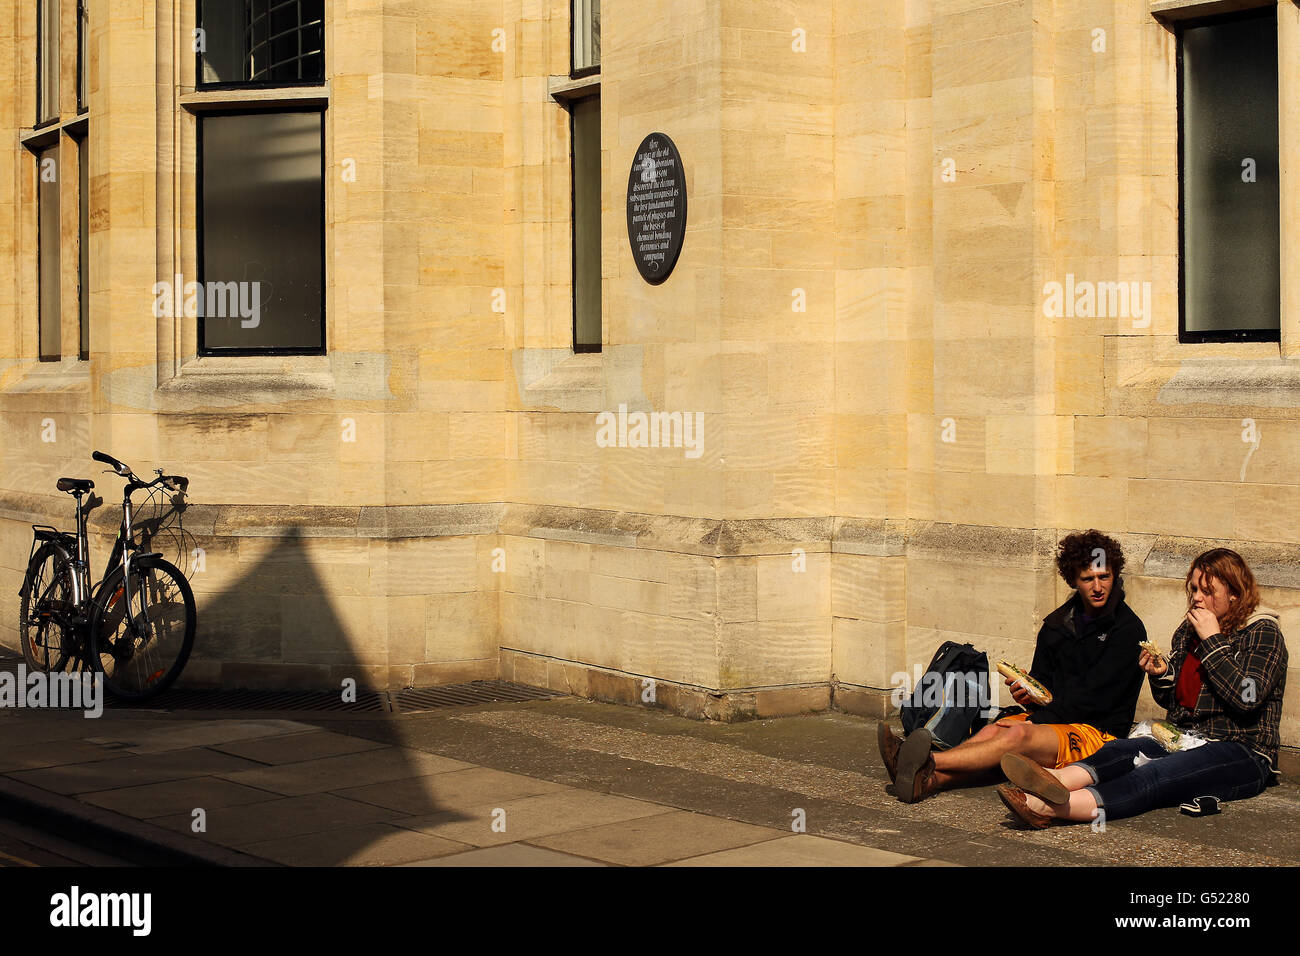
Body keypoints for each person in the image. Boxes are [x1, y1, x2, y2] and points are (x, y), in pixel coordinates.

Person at [997, 548, 1287, 827]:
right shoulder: (1189, 631)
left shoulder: (1261, 631)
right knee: (1120, 751)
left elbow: (1247, 697)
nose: (1197, 599)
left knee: (1155, 774)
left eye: (1207, 592)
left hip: (1242, 751)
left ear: (1234, 595)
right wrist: (1162, 674)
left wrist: (1212, 640)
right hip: (1182, 738)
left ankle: (1052, 808)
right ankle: (1053, 781)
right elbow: (1172, 702)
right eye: (1194, 590)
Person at [879, 530, 1146, 803]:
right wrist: (1027, 696)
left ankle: (925, 762)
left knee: (1017, 734)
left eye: (1104, 577)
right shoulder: (1056, 626)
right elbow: (1044, 685)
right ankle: (928, 781)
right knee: (998, 729)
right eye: (1088, 579)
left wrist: (1037, 719)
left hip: (1097, 732)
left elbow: (1095, 701)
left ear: (1115, 575)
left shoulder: (1127, 630)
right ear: (1074, 581)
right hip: (1056, 720)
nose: (1098, 587)